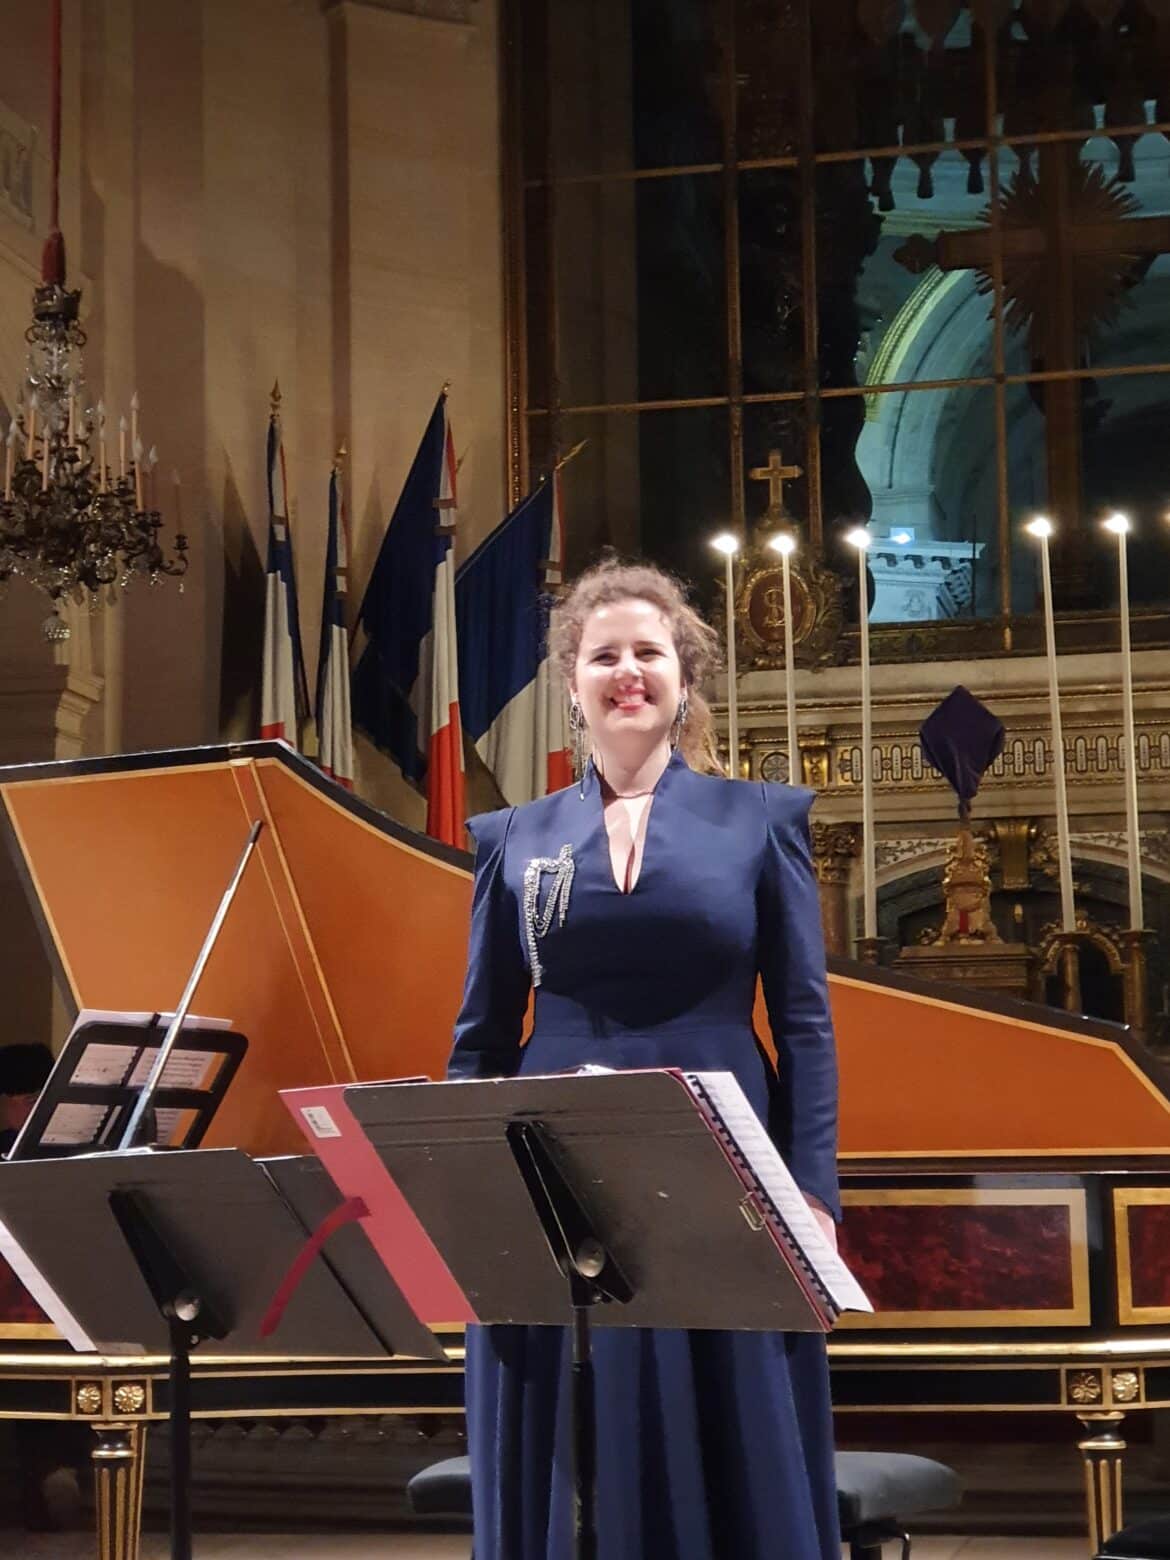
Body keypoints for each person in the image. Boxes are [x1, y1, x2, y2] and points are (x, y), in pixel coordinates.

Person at [448, 557, 841, 1560]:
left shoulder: (762, 821)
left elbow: (803, 1024)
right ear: (570, 681)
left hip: (722, 1152)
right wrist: (462, 1196)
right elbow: (483, 1037)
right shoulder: (512, 837)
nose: (629, 671)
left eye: (649, 653)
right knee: (570, 1427)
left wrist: (813, 1195)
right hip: (550, 1163)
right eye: (604, 655)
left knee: (728, 1419)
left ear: (683, 676)